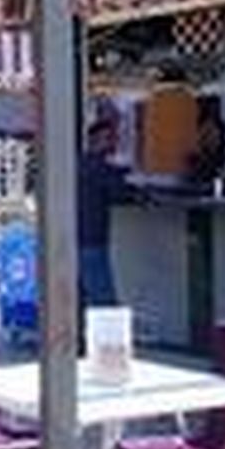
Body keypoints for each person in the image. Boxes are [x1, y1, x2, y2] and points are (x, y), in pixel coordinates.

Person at [77, 118, 128, 309]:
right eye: (110, 138)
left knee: (87, 296)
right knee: (103, 299)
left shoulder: (81, 164)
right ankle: (108, 338)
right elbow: (119, 193)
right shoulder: (99, 167)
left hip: (78, 237)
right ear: (97, 139)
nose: (114, 142)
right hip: (93, 239)